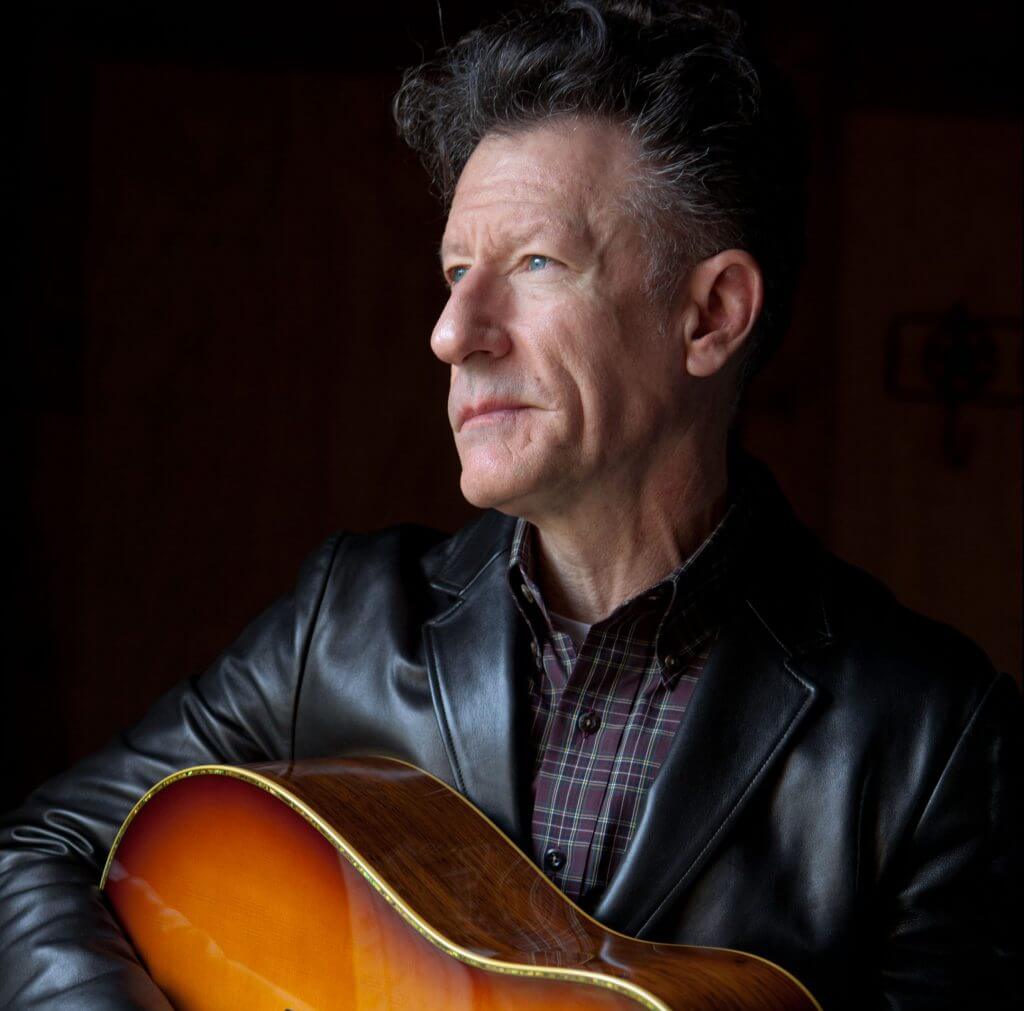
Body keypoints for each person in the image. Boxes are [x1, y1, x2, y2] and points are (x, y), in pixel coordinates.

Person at [1, 2, 1020, 1008]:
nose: (453, 332)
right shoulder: (343, 623)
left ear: (708, 316)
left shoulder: (931, 736)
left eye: (534, 263)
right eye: (454, 273)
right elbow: (40, 848)